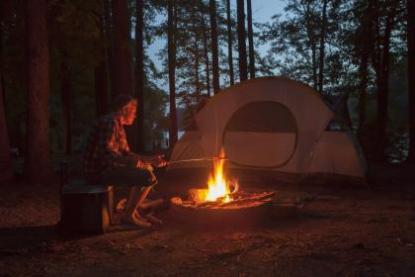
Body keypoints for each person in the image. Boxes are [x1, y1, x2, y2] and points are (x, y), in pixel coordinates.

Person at [83, 94, 167, 228]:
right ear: (124, 110)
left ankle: (132, 212)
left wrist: (150, 160)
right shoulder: (109, 123)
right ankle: (128, 217)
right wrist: (129, 162)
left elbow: (127, 154)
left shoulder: (118, 126)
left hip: (107, 168)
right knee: (147, 176)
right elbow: (105, 154)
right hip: (98, 171)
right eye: (133, 112)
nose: (135, 116)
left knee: (148, 169)